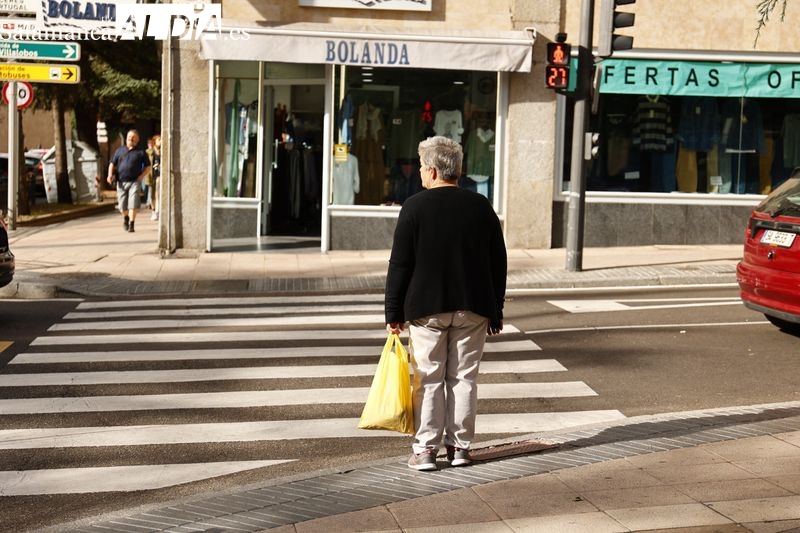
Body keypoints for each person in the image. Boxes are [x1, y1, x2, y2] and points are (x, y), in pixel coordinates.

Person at [384, 135, 507, 472]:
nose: (422, 174)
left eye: (424, 168)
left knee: (429, 378)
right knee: (464, 379)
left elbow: (400, 264)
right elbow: (499, 261)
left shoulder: (414, 207)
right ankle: (460, 448)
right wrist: (496, 309)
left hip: (427, 309)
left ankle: (425, 451)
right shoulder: (481, 206)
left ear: (435, 171)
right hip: (473, 307)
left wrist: (393, 312)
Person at [107, 129, 151, 233]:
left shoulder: (141, 152)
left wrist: (141, 176)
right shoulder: (119, 150)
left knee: (133, 203)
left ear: (137, 139)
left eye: (133, 137)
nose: (131, 138)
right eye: (129, 136)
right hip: (121, 182)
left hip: (134, 181)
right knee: (122, 206)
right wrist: (109, 175)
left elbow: (148, 167)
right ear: (126, 137)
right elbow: (112, 164)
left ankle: (132, 223)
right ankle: (126, 218)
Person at [148, 134, 161, 221]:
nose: (161, 141)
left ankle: (157, 211)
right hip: (151, 175)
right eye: (159, 140)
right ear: (154, 141)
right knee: (152, 194)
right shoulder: (149, 152)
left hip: (159, 175)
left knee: (158, 194)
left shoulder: (163, 152)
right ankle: (153, 211)